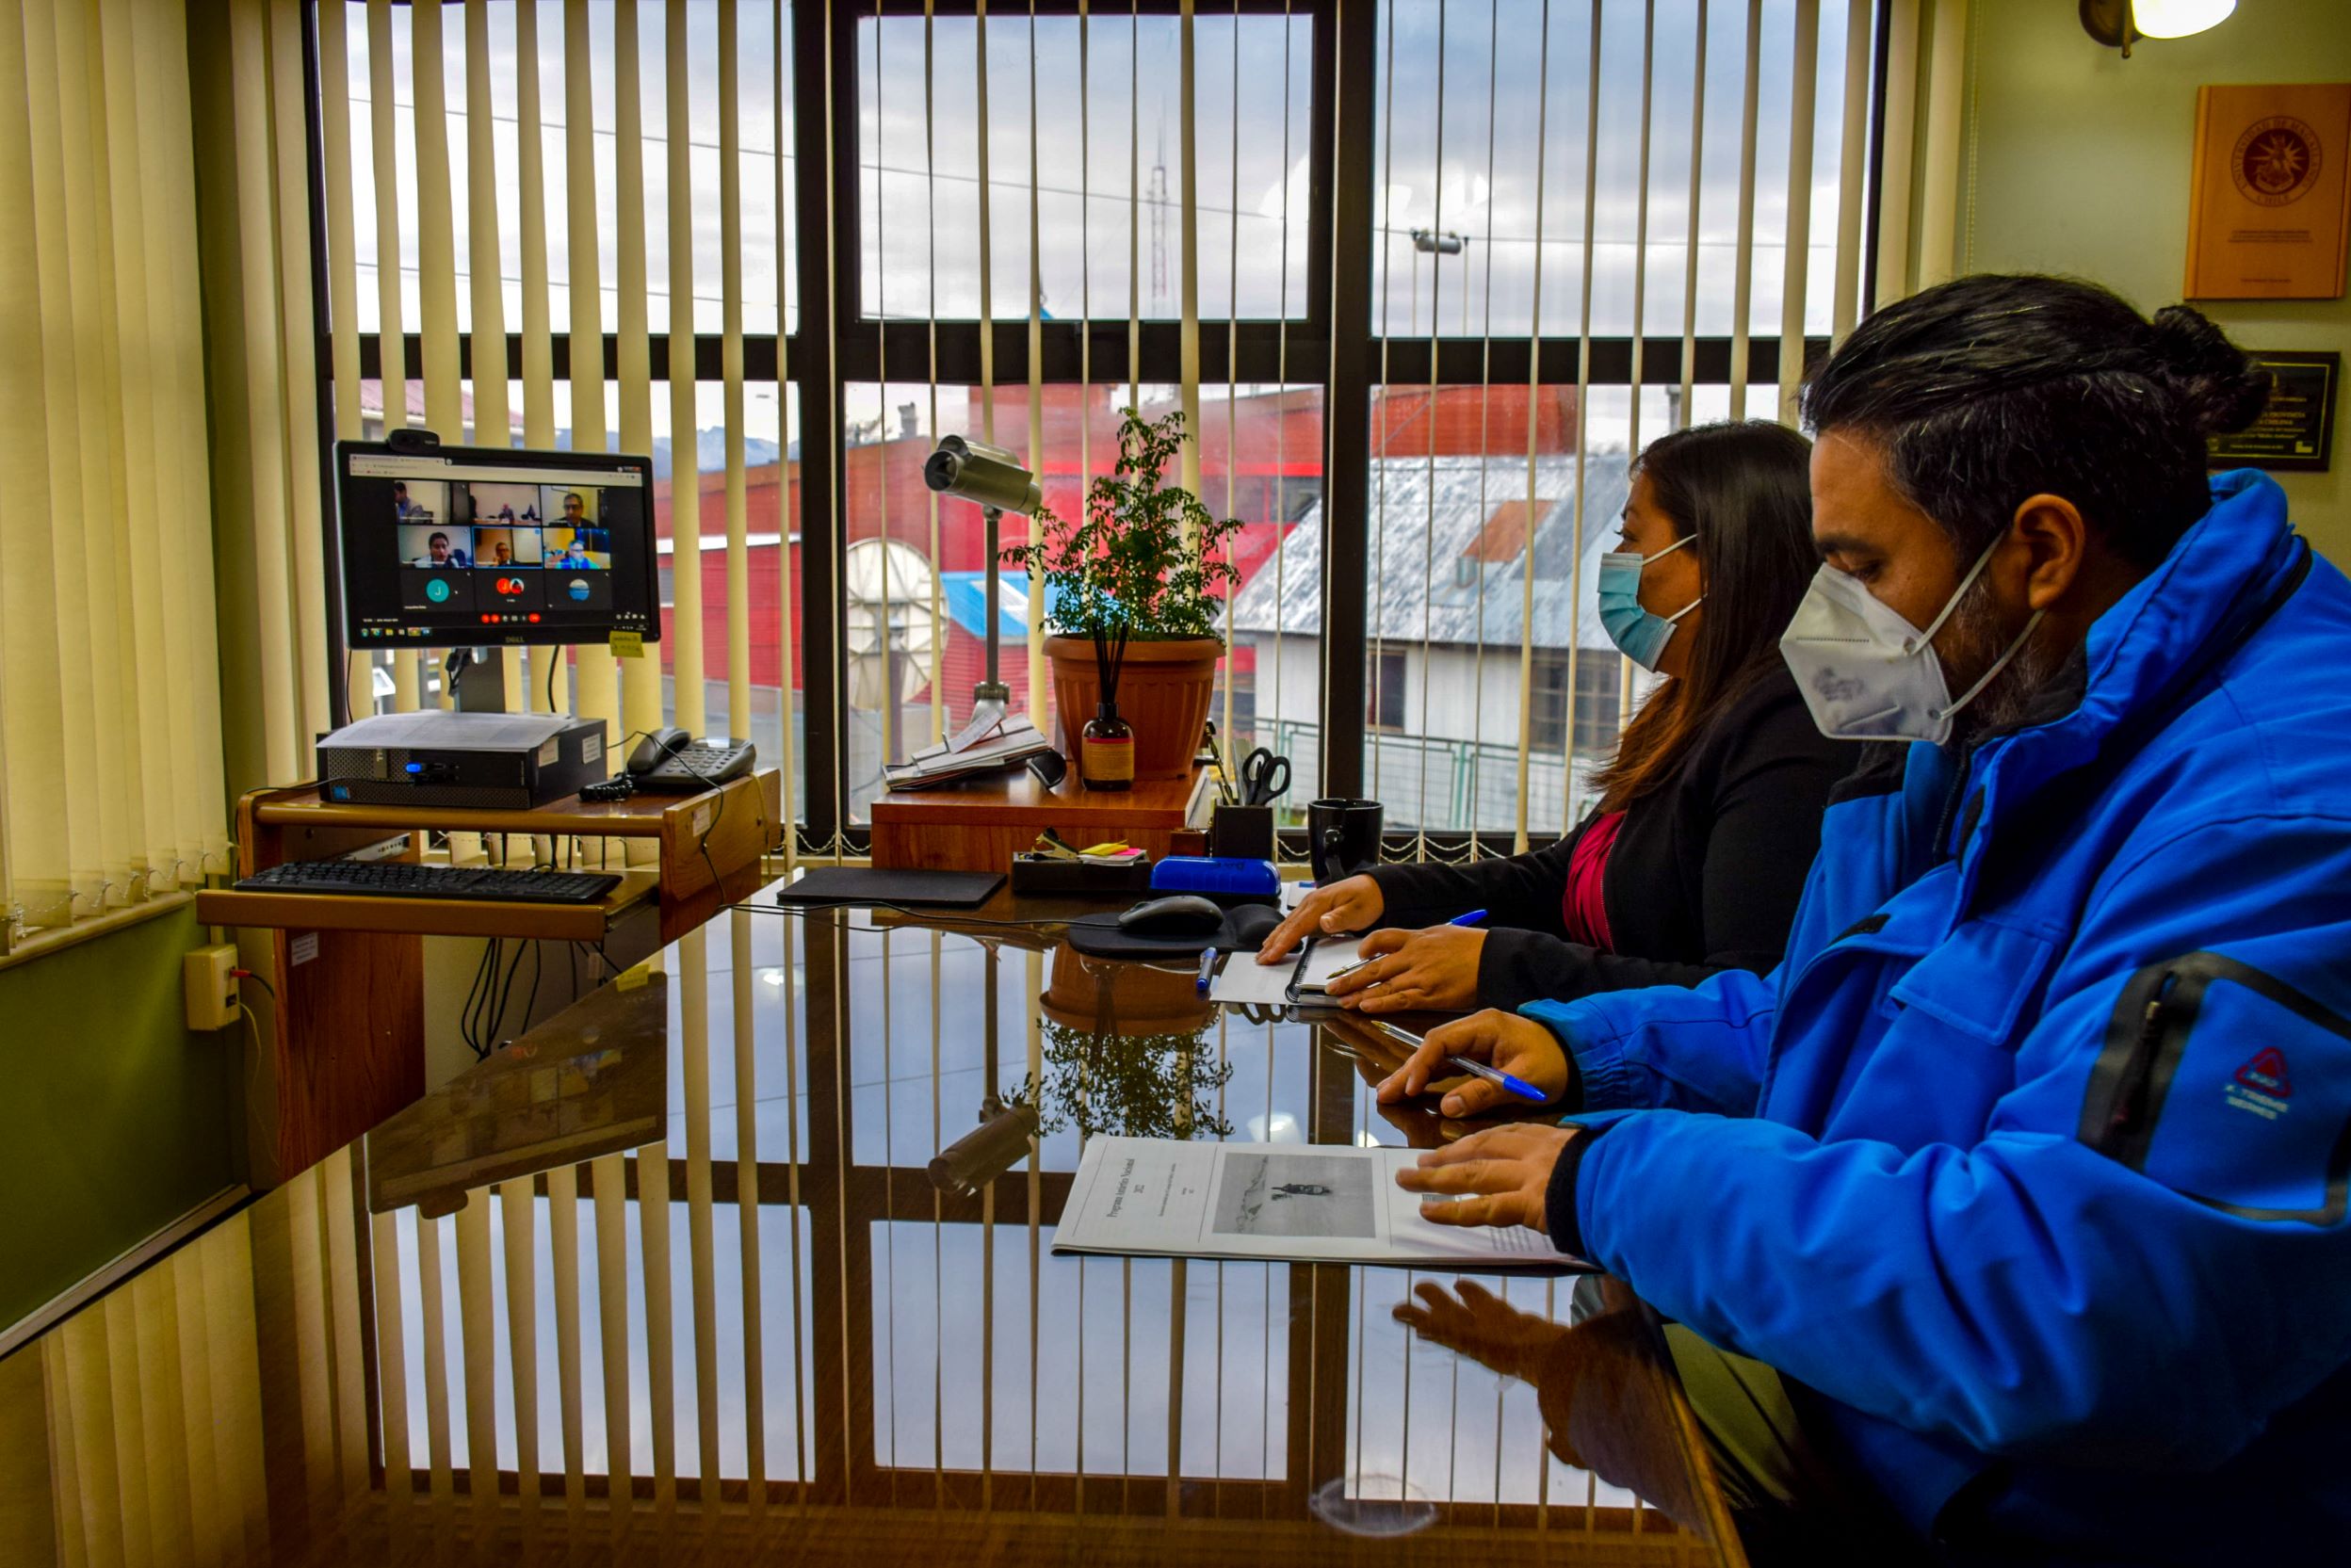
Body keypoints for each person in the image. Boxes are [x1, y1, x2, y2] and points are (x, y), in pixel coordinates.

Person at [1378, 275, 2351, 1559]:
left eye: (1859, 565)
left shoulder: (2271, 816)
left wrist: (1608, 1175)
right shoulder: (2049, 702)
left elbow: (2079, 1303)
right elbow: (1874, 1003)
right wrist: (1592, 1047)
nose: (1827, 615)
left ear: (2041, 549)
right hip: (1882, 1433)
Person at [1257, 421, 1851, 1013]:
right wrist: (1384, 890)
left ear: (1721, 558)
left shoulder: (1788, 733)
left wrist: (1498, 965)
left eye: (1631, 539)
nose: (1614, 561)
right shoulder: (1689, 706)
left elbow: (1747, 1005)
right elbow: (1561, 878)